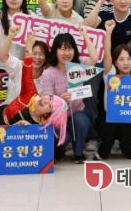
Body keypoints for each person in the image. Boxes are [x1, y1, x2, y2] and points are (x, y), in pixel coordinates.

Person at [39, 29, 98, 163]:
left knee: (81, 120)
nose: (66, 53)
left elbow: (94, 58)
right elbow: (47, 100)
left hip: (77, 112)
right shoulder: (48, 73)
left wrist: (85, 35)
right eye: (63, 49)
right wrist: (61, 100)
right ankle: (60, 148)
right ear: (55, 51)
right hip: (58, 117)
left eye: (70, 49)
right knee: (60, 140)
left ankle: (78, 153)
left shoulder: (78, 65)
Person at [94, 20, 131, 160]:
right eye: (121, 59)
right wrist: (108, 33)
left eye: (128, 59)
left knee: (127, 141)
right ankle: (105, 144)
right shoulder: (110, 74)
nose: (126, 62)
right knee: (106, 146)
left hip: (127, 117)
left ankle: (127, 144)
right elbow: (107, 55)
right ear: (115, 62)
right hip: (108, 117)